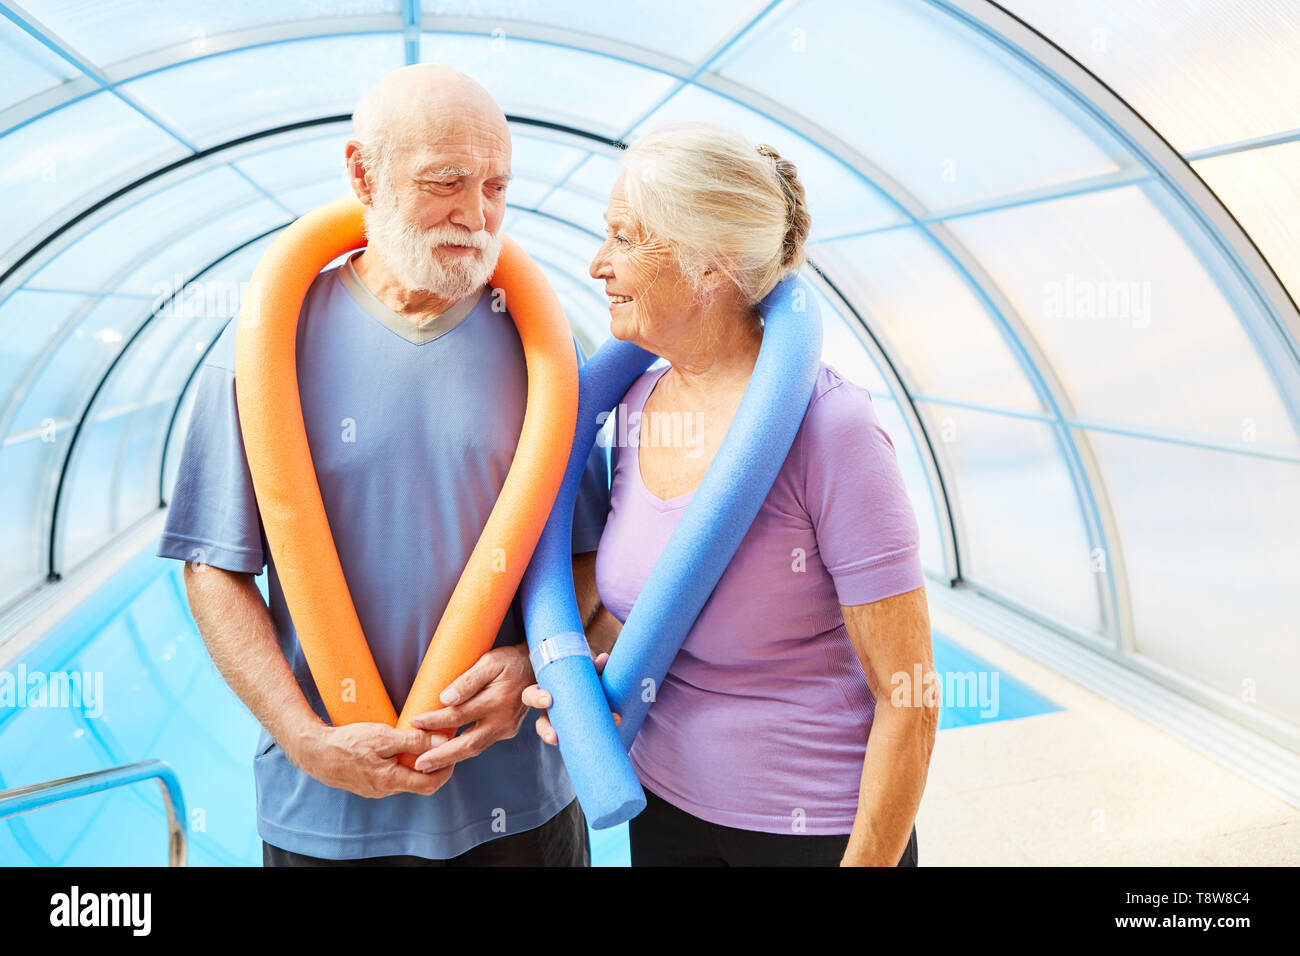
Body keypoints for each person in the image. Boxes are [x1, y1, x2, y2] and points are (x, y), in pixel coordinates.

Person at [157, 64, 608, 866]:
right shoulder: (268, 349)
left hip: (521, 809)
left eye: (497, 187)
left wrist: (534, 664)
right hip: (322, 815)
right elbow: (213, 568)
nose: (475, 215)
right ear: (362, 173)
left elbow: (592, 560)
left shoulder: (548, 354)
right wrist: (304, 740)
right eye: (445, 181)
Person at [523, 123, 938, 867]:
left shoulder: (829, 428)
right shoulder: (636, 407)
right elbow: (662, 609)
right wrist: (583, 685)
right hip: (669, 812)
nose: (597, 264)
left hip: (814, 833)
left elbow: (908, 694)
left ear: (709, 267)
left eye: (623, 238)